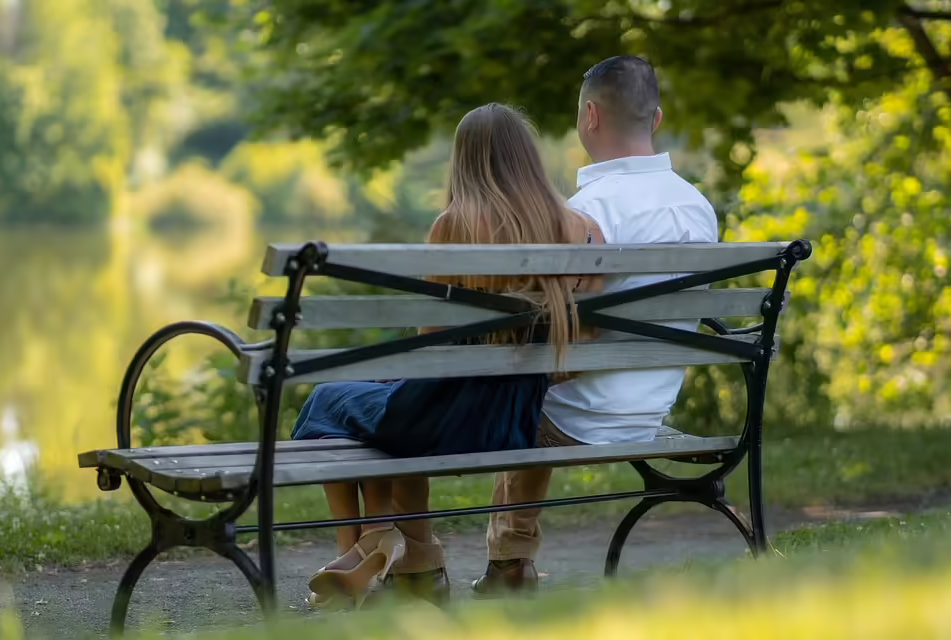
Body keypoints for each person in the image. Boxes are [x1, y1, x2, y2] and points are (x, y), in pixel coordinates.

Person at [291, 102, 603, 608]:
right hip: (518, 421)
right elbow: (580, 342)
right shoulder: (584, 230)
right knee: (378, 409)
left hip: (445, 420)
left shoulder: (454, 224)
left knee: (329, 400)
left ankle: (389, 554)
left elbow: (429, 346)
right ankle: (379, 548)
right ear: (528, 158)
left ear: (465, 162)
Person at [471, 56, 720, 595]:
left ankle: (507, 563)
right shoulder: (698, 208)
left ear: (589, 116)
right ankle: (507, 566)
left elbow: (548, 324)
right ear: (655, 120)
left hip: (577, 416)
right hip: (650, 406)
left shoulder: (588, 211)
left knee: (523, 387)